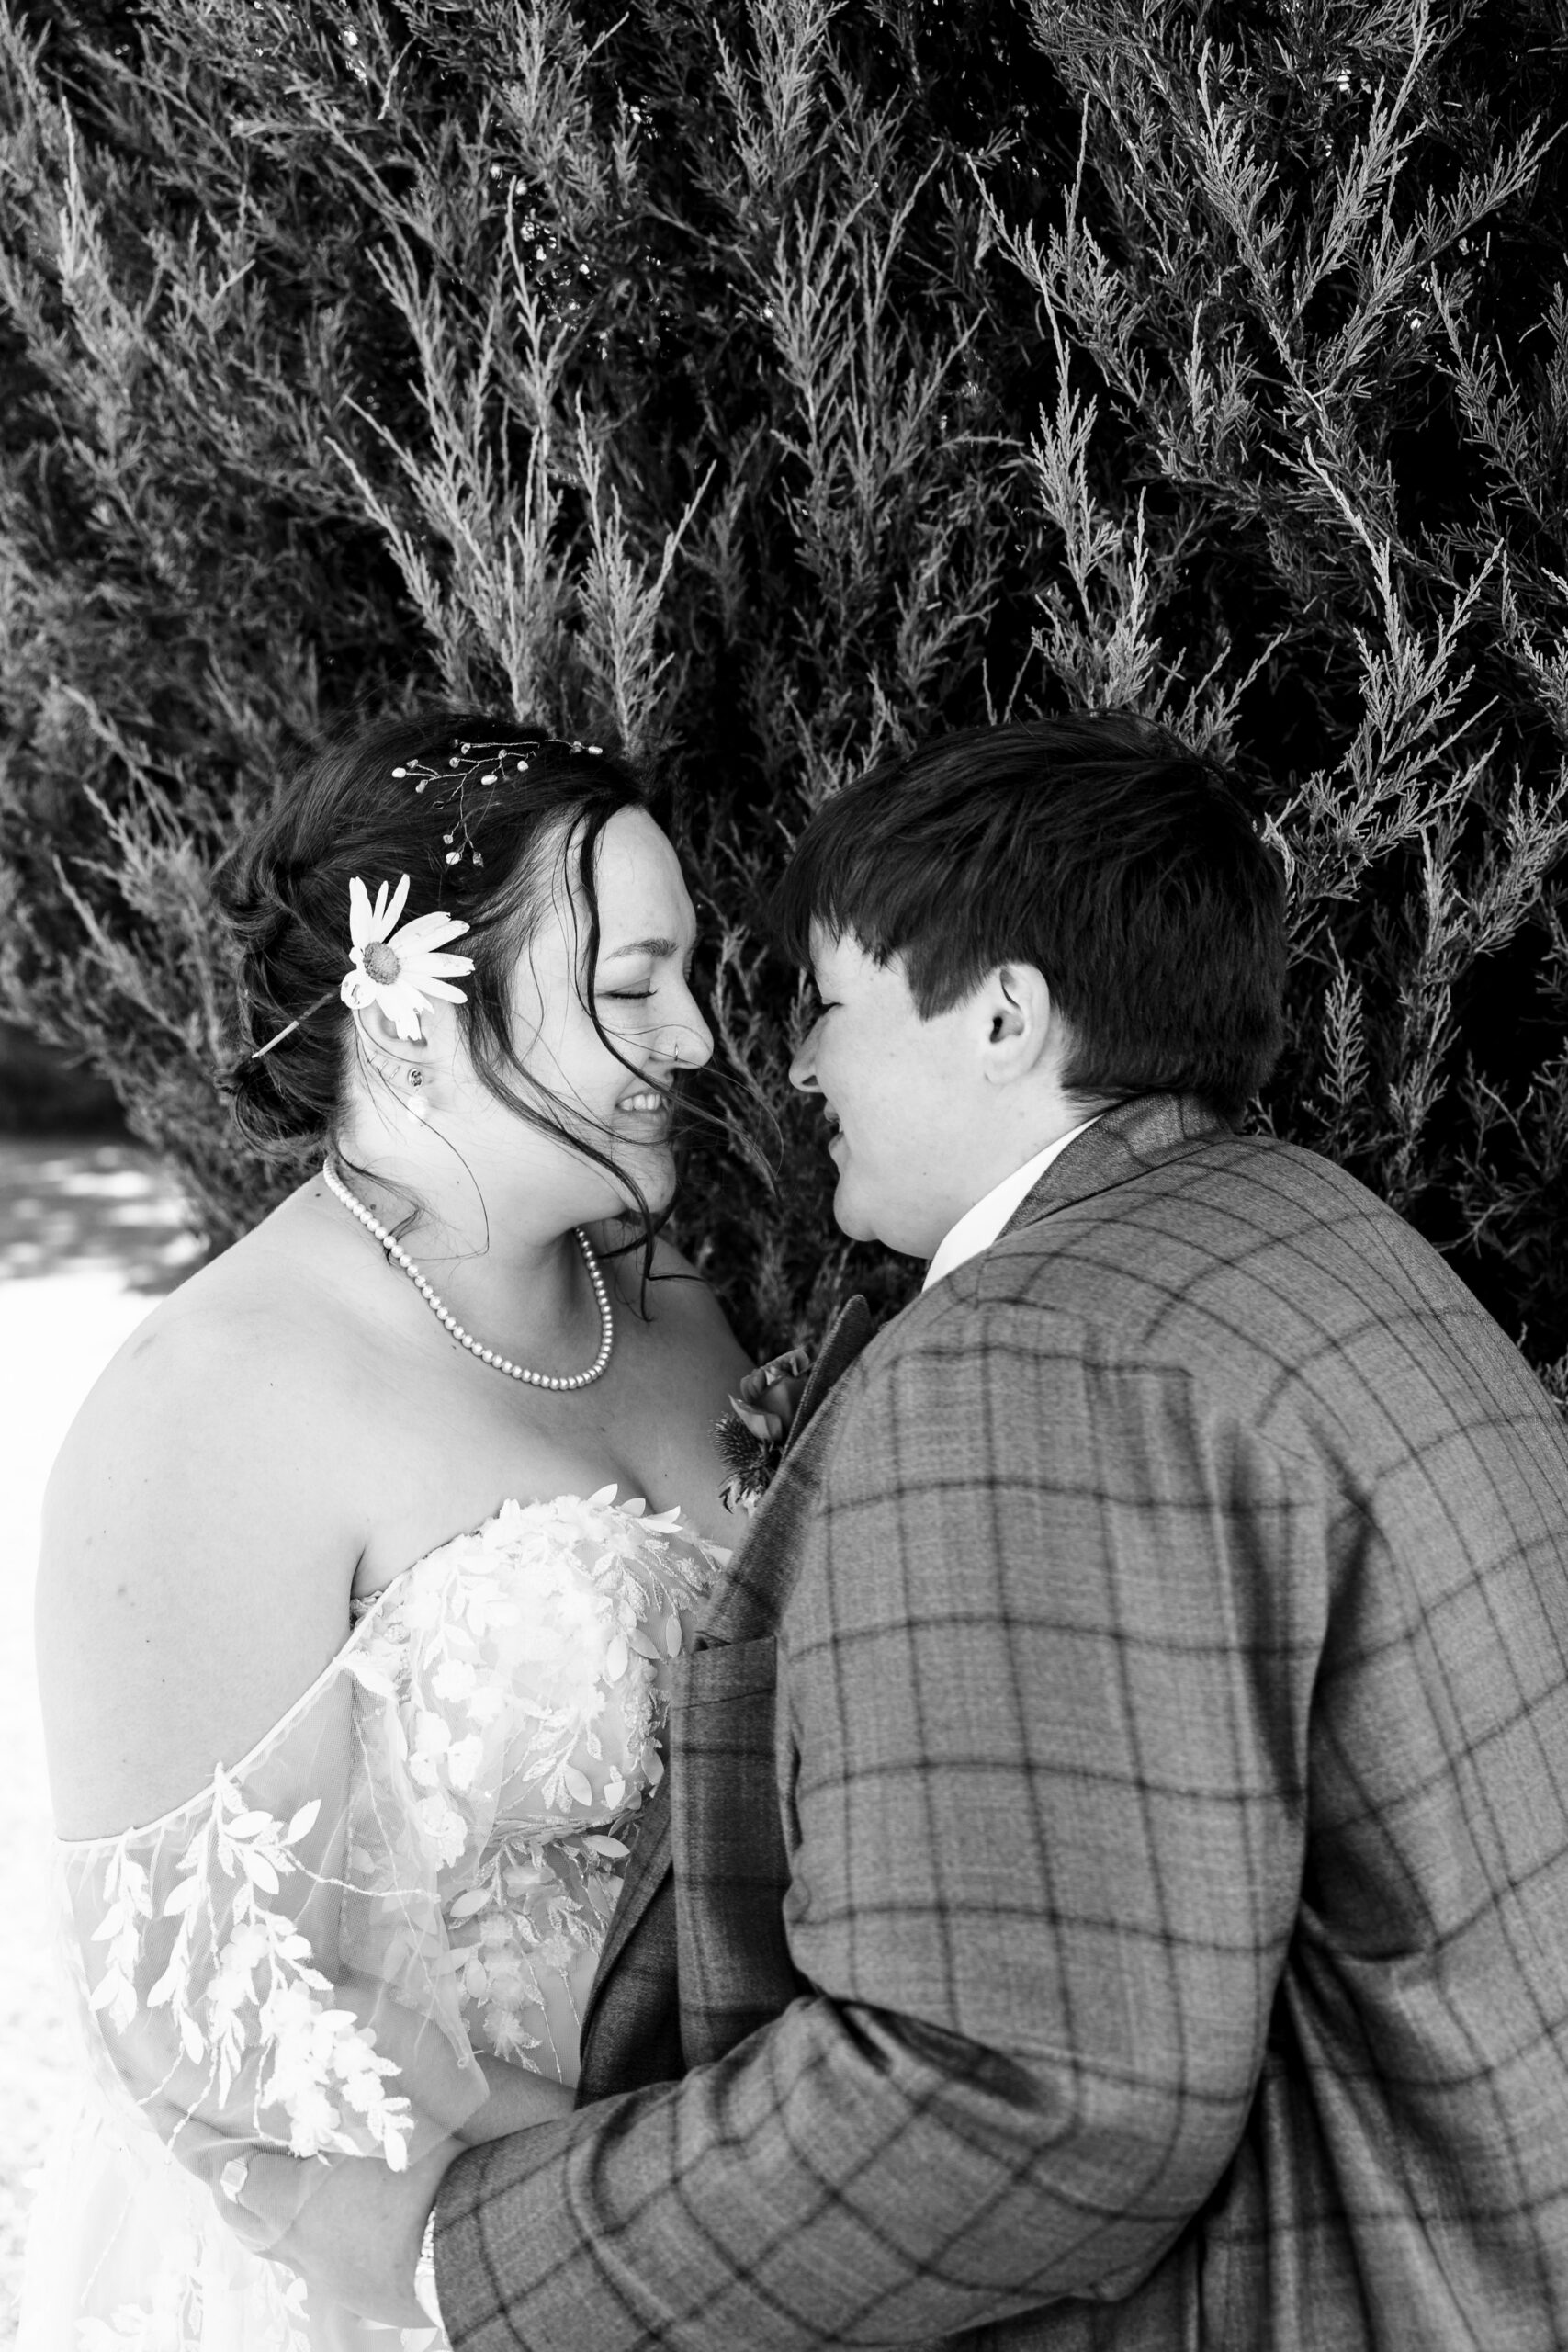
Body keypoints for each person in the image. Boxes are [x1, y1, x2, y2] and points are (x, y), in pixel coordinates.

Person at [234, 709, 1568, 2348]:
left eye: (825, 1002)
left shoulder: (1029, 1355)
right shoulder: (1308, 1236)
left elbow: (1019, 2096)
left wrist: (467, 2263)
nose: (779, 1061)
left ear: (1003, 1015)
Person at [20, 717, 754, 2352]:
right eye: (632, 988)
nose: (698, 1040)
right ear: (411, 1021)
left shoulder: (673, 1308)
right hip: (422, 2268)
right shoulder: (210, 1404)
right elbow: (197, 1993)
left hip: (730, 2214)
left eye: (686, 978)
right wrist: (621, 2200)